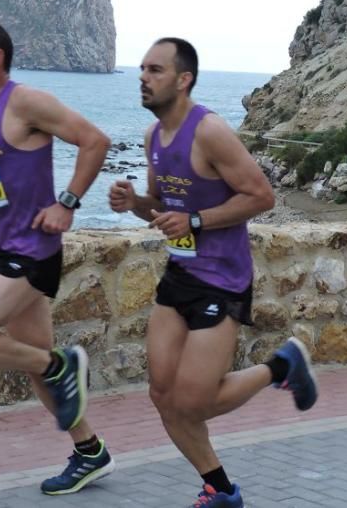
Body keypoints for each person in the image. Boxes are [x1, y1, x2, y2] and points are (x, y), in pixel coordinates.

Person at [108, 37, 318, 507]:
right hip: (179, 274)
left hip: (221, 279)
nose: (143, 76)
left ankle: (281, 366)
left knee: (195, 402)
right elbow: (165, 210)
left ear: (183, 80)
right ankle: (220, 490)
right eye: (142, 68)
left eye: (155, 70)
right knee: (163, 394)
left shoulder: (210, 132)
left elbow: (261, 196)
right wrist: (136, 204)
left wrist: (197, 221)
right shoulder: (153, 137)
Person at [0, 20, 114, 495]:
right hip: (1, 247)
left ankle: (61, 365)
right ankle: (89, 451)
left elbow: (95, 141)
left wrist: (67, 204)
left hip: (31, 250)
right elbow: (2, 179)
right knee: (34, 365)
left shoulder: (25, 101)